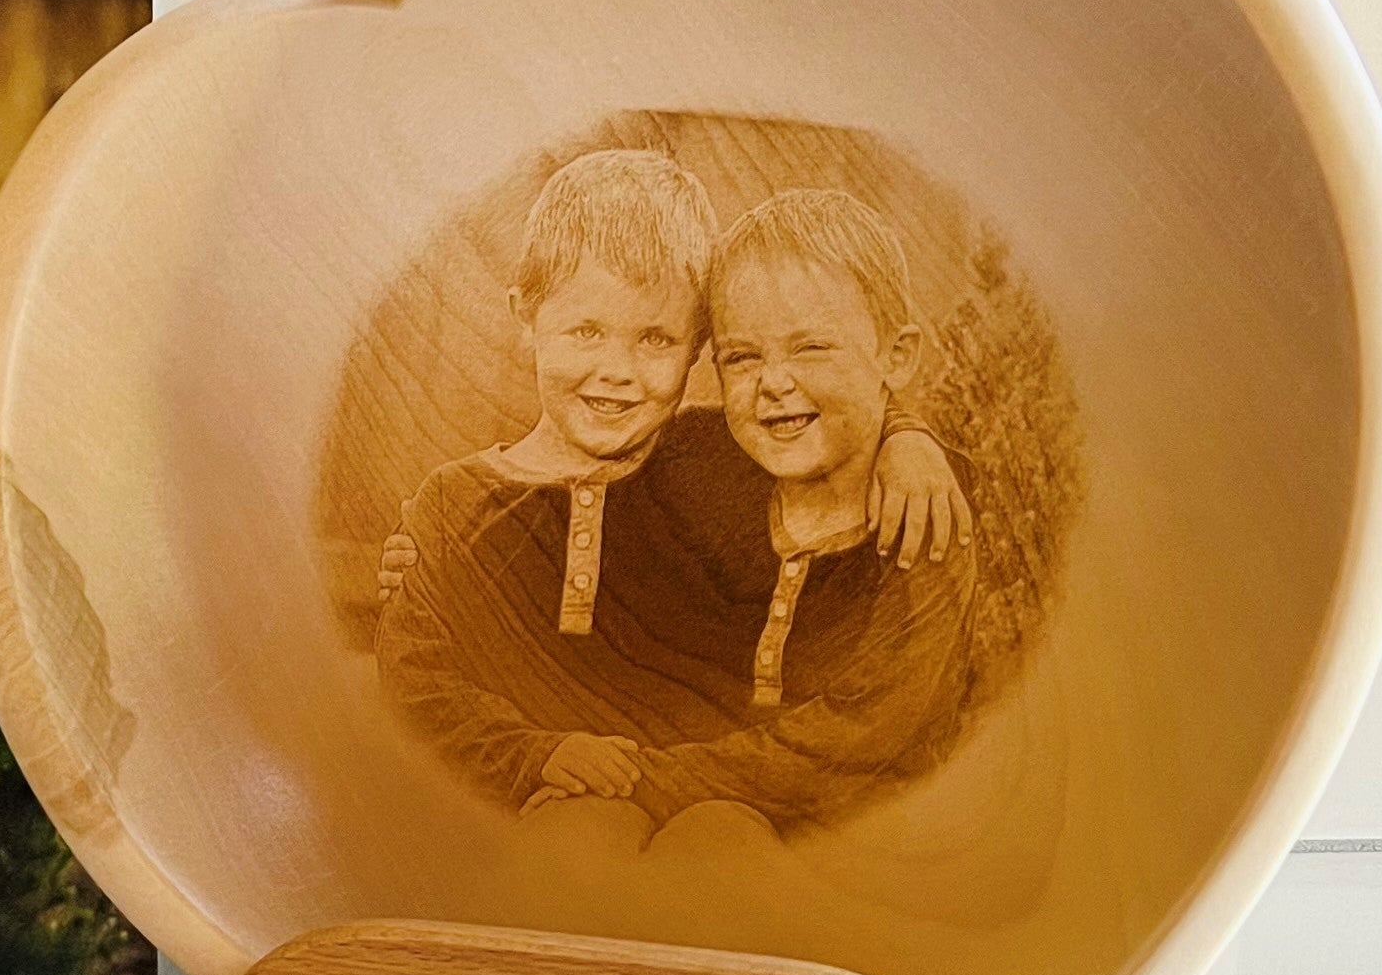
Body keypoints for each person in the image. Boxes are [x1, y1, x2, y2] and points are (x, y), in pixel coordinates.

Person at [376, 151, 967, 813]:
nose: (617, 370)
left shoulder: (706, 456)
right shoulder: (452, 502)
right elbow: (419, 682)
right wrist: (532, 755)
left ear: (695, 348)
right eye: (586, 330)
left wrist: (905, 439)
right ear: (525, 318)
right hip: (517, 811)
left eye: (655, 340)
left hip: (693, 805)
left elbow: (830, 420)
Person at [618, 188, 979, 831]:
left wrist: (645, 783)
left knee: (710, 840)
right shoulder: (691, 463)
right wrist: (426, 551)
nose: (774, 382)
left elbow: (855, 738)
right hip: (672, 799)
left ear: (896, 357)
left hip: (860, 847)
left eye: (811, 348)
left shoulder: (926, 520)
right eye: (743, 357)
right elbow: (554, 512)